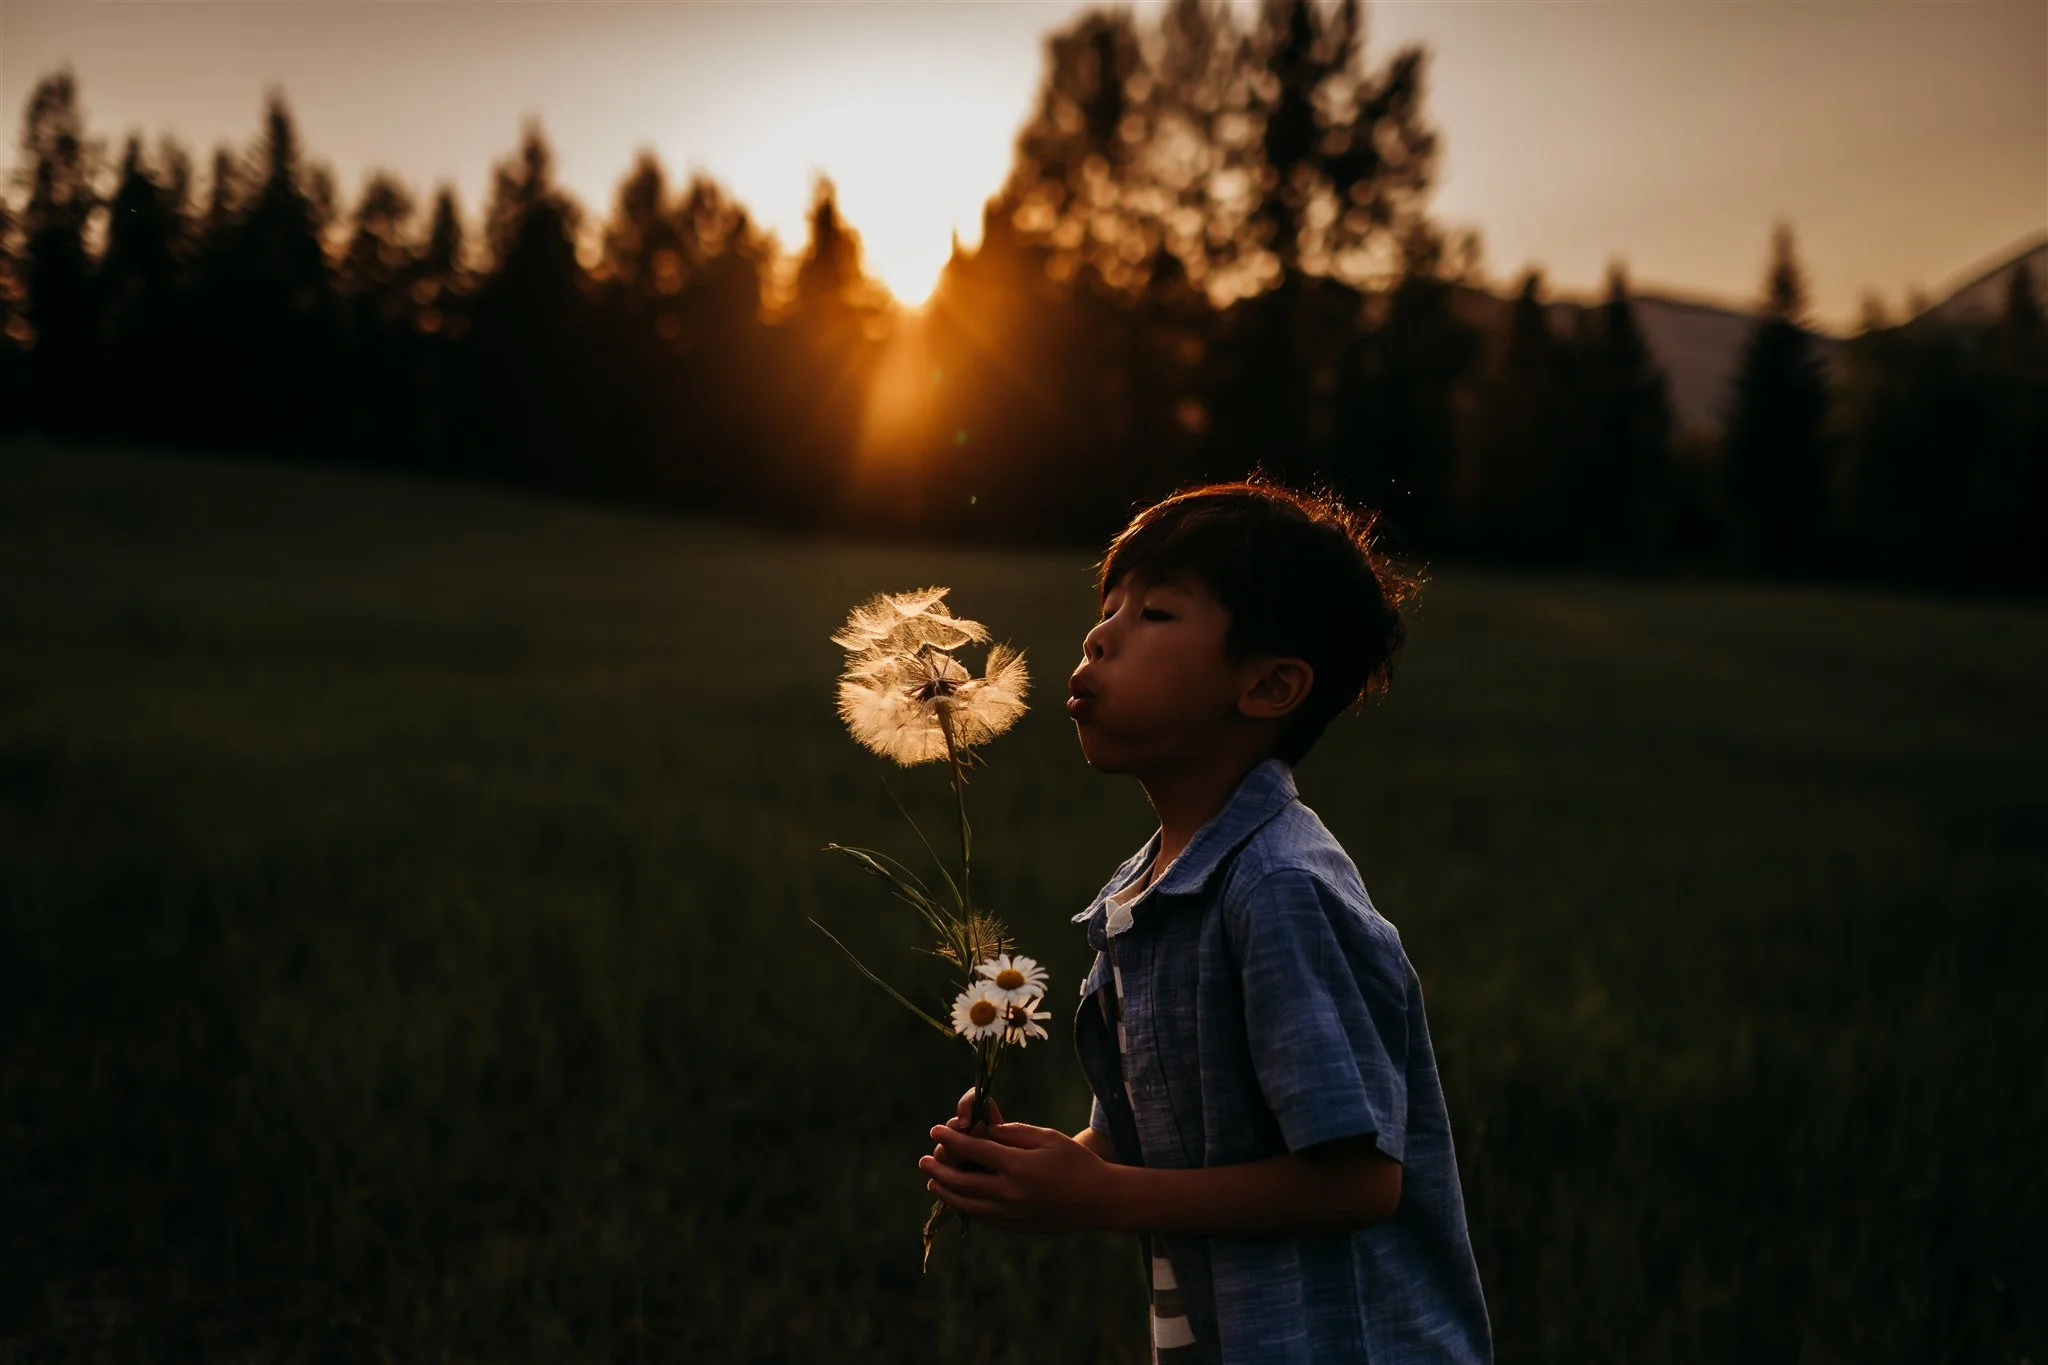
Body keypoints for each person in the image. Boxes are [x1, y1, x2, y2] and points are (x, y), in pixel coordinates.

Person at [918, 478, 1494, 1364]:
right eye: (1105, 606)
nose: (1099, 633)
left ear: (1267, 686)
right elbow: (1143, 1139)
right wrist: (1042, 1164)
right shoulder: (1145, 893)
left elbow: (1359, 1179)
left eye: (1153, 612)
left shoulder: (1279, 889)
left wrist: (1100, 1197)